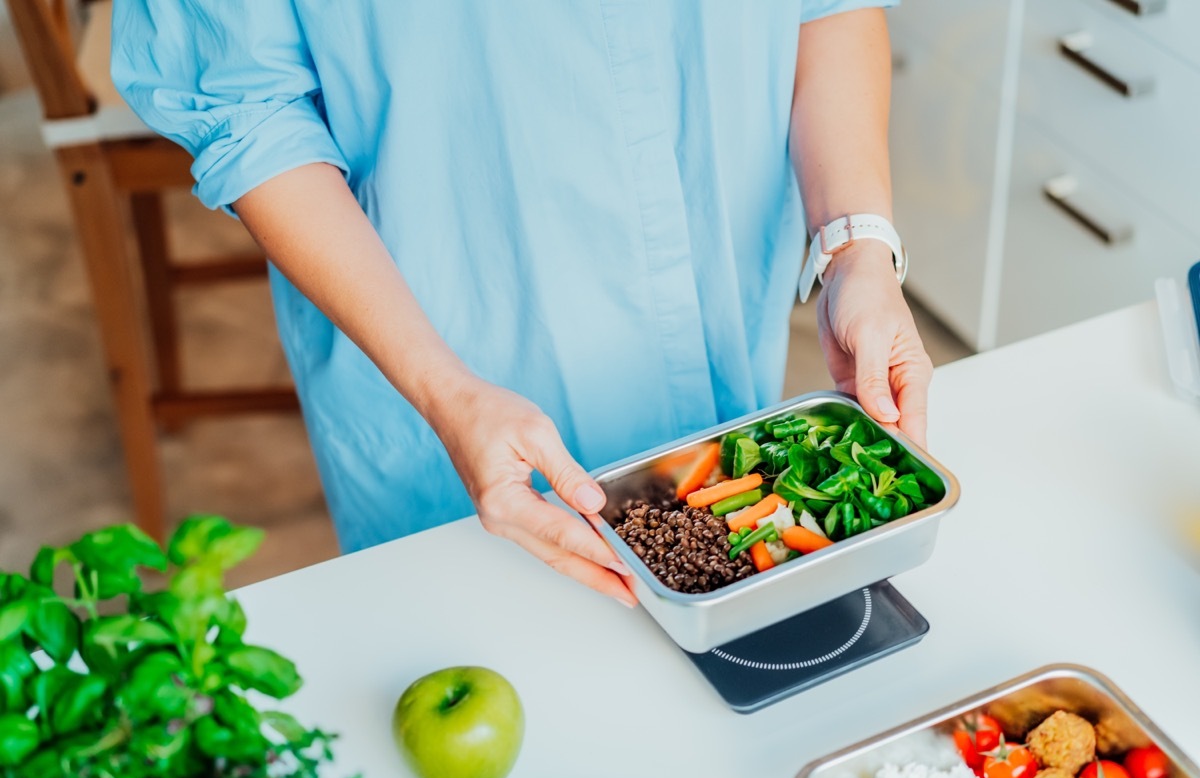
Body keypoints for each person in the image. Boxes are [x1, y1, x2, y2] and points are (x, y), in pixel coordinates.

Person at [112, 1, 931, 609]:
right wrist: (446, 390)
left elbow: (826, 12)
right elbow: (251, 114)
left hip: (720, 331)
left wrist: (856, 245)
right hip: (451, 367)